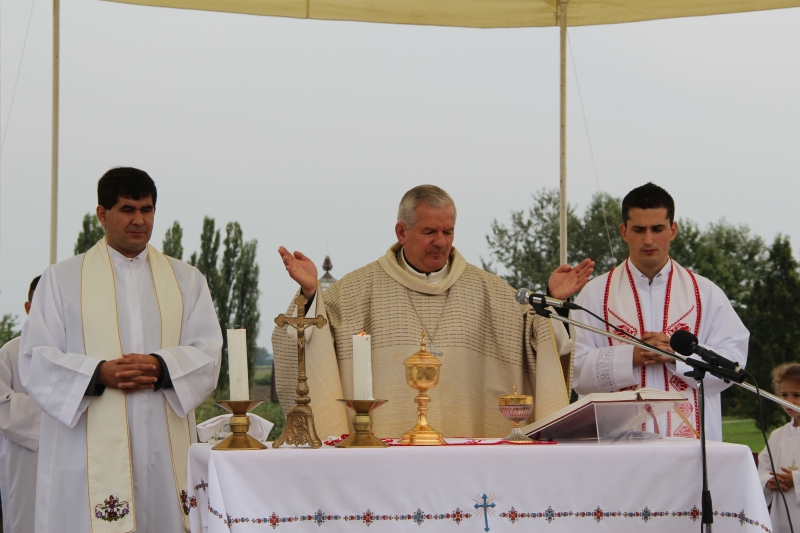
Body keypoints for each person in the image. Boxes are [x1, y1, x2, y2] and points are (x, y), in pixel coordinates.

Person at [272, 185, 594, 438]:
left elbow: (535, 341)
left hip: (469, 461)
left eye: (448, 232)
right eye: (430, 232)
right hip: (383, 460)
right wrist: (312, 293)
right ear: (401, 231)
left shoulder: (490, 292)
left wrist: (551, 299)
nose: (441, 242)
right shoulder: (357, 291)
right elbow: (306, 337)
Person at [20, 167, 222, 533]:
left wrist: (162, 367)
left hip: (164, 444)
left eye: (146, 210)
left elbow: (208, 351)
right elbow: (35, 358)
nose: (139, 220)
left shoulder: (186, 280)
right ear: (102, 214)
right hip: (86, 448)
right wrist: (98, 373)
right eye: (128, 209)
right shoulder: (62, 280)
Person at [572, 182, 748, 440]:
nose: (648, 240)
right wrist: (630, 356)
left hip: (690, 449)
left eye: (657, 229)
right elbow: (574, 370)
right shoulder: (594, 294)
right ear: (623, 231)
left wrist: (676, 355)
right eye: (639, 229)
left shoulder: (706, 294)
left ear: (673, 229)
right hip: (616, 450)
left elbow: (733, 366)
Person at [0, 276, 42, 532]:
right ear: (28, 308)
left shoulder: (79, 353)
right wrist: (61, 415)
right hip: (26, 460)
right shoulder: (10, 353)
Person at [758, 363, 800, 533]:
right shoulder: (777, 435)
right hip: (781, 514)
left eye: (796, 395)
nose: (789, 401)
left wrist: (796, 480)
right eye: (784, 395)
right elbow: (763, 468)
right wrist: (768, 481)